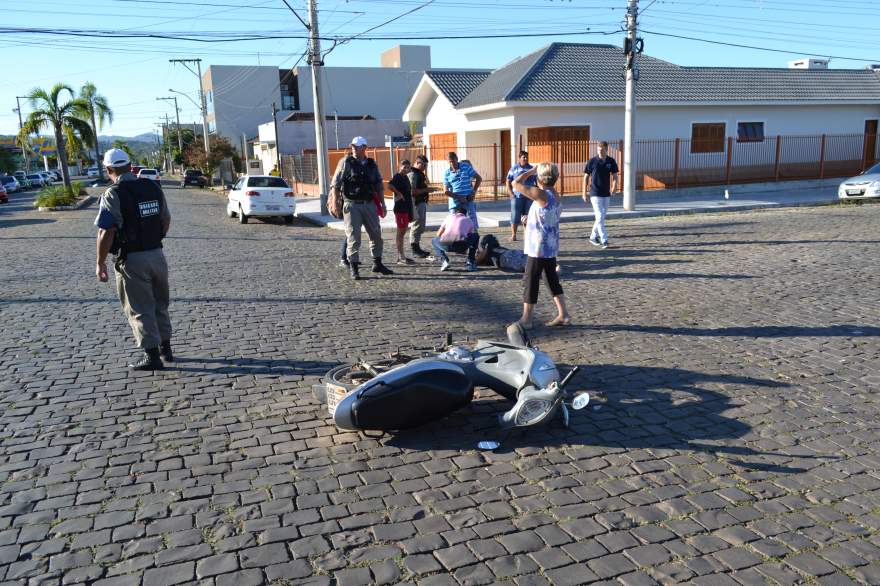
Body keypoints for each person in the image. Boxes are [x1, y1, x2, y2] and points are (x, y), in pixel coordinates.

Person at [94, 148, 173, 370]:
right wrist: (154, 238)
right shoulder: (152, 186)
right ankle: (166, 349)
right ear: (130, 166)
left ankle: (152, 357)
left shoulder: (113, 194)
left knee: (140, 307)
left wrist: (100, 263)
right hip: (157, 254)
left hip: (132, 259)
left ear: (109, 170)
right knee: (160, 303)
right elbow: (166, 219)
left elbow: (106, 232)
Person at [513, 163, 570, 327]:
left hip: (538, 248)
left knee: (530, 281)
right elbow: (545, 217)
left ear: (540, 178)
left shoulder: (541, 194)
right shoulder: (555, 195)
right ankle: (563, 314)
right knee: (551, 279)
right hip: (550, 247)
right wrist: (528, 222)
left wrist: (530, 171)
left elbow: (515, 184)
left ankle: (527, 319)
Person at [330, 136, 394, 280]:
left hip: (369, 203)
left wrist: (383, 204)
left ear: (364, 147)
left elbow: (378, 185)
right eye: (353, 146)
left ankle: (377, 263)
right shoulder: (346, 162)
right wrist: (335, 202)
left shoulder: (371, 164)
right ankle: (354, 267)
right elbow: (335, 184)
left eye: (357, 146)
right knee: (354, 237)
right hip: (352, 205)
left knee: (376, 234)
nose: (353, 148)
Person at [583, 141, 619, 249]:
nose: (600, 152)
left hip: (606, 193)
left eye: (602, 150)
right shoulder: (592, 161)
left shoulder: (611, 161)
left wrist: (614, 187)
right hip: (595, 193)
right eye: (598, 150)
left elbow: (615, 176)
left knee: (601, 217)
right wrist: (584, 193)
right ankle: (605, 240)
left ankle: (593, 236)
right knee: (599, 216)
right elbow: (585, 177)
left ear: (606, 150)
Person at [432, 206, 479, 272]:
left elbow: (438, 234)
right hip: (461, 245)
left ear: (455, 213)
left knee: (434, 240)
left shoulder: (448, 218)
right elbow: (469, 236)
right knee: (476, 235)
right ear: (465, 214)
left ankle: (444, 261)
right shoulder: (469, 220)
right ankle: (470, 262)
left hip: (445, 245)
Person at [443, 152, 482, 230]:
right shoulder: (446, 173)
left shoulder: (466, 167)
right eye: (450, 162)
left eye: (453, 161)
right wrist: (458, 197)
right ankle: (457, 240)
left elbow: (479, 178)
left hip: (468, 200)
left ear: (457, 159)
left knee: (472, 222)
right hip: (455, 203)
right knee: (454, 224)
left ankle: (474, 238)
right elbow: (445, 191)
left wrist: (473, 192)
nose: (452, 163)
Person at [388, 159, 416, 265]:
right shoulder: (398, 176)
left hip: (406, 208)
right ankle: (400, 257)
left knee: (403, 232)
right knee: (400, 233)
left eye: (408, 167)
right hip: (400, 208)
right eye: (404, 167)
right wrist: (398, 193)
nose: (406, 169)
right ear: (400, 167)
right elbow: (390, 185)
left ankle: (402, 255)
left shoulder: (405, 177)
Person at [407, 155, 433, 258]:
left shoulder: (418, 174)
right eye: (424, 165)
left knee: (420, 226)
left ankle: (417, 247)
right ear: (418, 163)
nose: (425, 168)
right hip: (416, 203)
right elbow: (412, 191)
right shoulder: (414, 174)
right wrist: (428, 190)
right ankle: (415, 249)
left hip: (420, 202)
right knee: (417, 225)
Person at [506, 151, 535, 242]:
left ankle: (526, 235)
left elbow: (536, 181)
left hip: (529, 196)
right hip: (517, 196)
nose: (525, 159)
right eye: (523, 157)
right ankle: (513, 235)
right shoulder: (514, 168)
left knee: (527, 215)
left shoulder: (531, 169)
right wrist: (510, 193)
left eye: (527, 157)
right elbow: (508, 181)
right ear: (519, 158)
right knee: (515, 216)